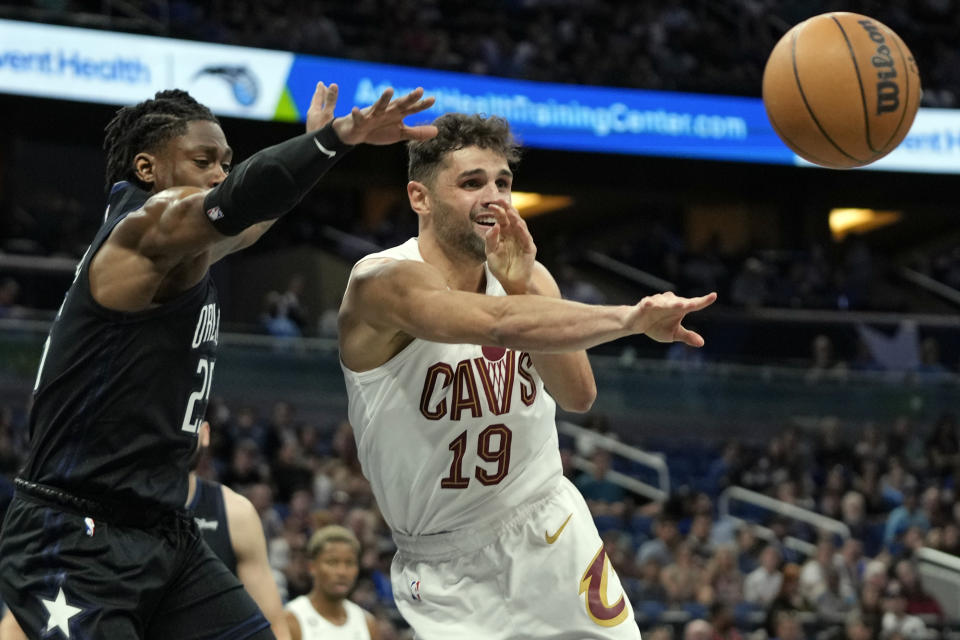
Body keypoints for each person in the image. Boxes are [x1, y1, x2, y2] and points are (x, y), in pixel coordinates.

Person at [0, 81, 436, 639]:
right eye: (203, 160)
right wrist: (335, 138)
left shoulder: (182, 250)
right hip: (73, 534)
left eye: (226, 163)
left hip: (161, 532)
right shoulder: (141, 231)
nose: (219, 174)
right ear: (147, 168)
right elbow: (238, 201)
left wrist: (315, 148)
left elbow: (251, 219)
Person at [337, 112, 716, 638]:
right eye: (471, 183)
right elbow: (496, 322)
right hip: (444, 560)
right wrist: (628, 319)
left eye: (503, 182)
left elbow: (578, 394)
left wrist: (523, 287)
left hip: (548, 523)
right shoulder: (382, 283)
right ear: (419, 198)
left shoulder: (528, 275)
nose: (494, 197)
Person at [0, 422, 292, 639]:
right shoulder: (98, 505)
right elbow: (27, 616)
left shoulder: (234, 512)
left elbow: (273, 622)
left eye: (191, 424)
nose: (181, 434)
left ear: (205, 433)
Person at [284, 525, 378, 640]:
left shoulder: (367, 623)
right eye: (332, 562)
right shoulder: (291, 619)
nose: (342, 572)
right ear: (312, 567)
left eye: (349, 563)